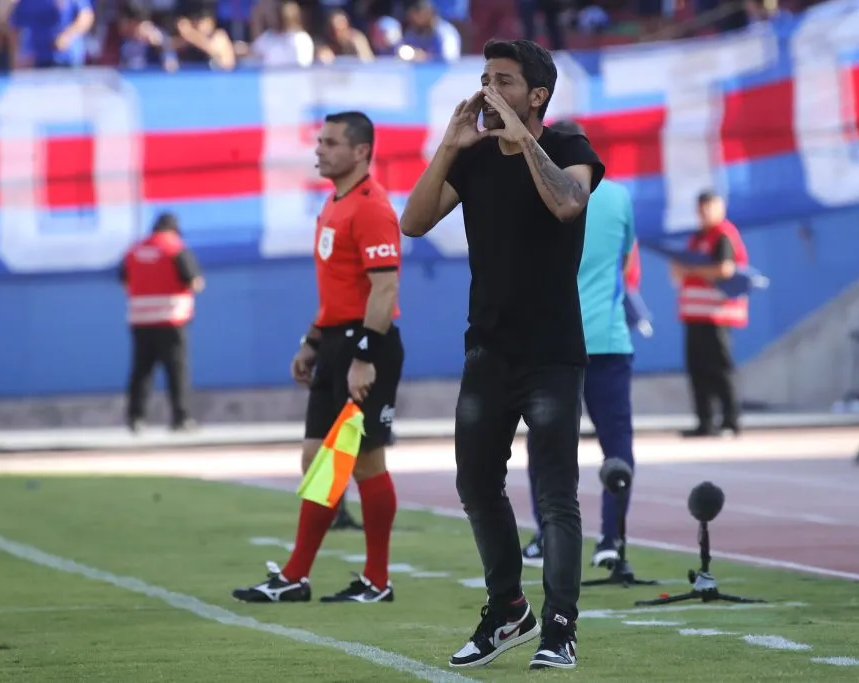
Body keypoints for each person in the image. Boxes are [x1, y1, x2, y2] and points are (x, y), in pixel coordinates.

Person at [401, 39, 605, 671]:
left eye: (504, 80)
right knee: (475, 484)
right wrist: (450, 145)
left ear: (535, 94)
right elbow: (412, 222)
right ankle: (508, 609)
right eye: (484, 77)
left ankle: (560, 629)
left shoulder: (570, 149)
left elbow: (568, 203)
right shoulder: (476, 158)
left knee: (555, 496)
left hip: (551, 351)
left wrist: (523, 140)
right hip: (487, 349)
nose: (488, 88)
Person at [233, 111, 405, 605]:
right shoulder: (334, 204)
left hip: (365, 346)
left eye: (330, 143)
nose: (319, 150)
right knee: (316, 458)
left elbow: (385, 287)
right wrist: (312, 340)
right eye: (319, 142)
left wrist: (364, 356)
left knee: (366, 462)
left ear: (360, 152)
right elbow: (340, 289)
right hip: (335, 343)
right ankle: (298, 576)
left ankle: (374, 580)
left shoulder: (372, 207)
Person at [520, 122, 637, 573]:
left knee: (547, 444)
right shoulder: (619, 196)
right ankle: (611, 540)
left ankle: (546, 535)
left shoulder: (535, 189)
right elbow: (625, 258)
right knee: (616, 444)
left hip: (553, 338)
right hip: (607, 338)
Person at [672, 190, 749, 438]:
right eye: (701, 208)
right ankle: (705, 421)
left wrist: (694, 269)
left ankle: (730, 419)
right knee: (698, 370)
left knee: (720, 369)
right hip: (694, 316)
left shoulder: (723, 235)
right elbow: (679, 274)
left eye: (709, 207)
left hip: (717, 315)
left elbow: (725, 269)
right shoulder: (696, 238)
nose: (705, 213)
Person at [120, 212, 204, 432]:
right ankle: (181, 418)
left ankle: (135, 418)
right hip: (171, 320)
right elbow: (193, 281)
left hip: (141, 320)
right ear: (173, 229)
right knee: (176, 371)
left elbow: (124, 279)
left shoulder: (135, 250)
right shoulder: (175, 248)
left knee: (141, 371)